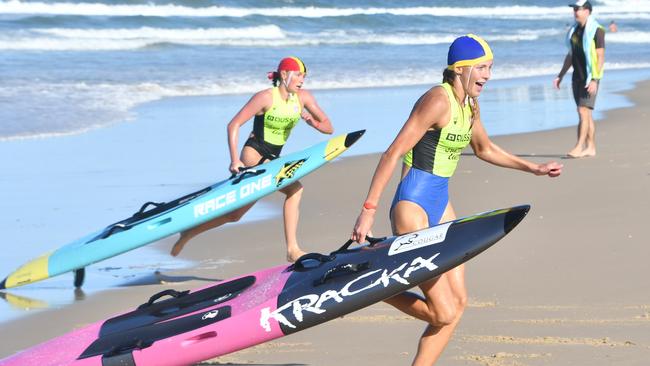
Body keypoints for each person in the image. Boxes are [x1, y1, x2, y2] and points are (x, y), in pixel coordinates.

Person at [350, 34, 563, 365]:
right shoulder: (438, 101)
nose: (488, 75)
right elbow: (393, 153)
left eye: (490, 68)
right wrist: (368, 209)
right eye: (482, 68)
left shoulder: (470, 104)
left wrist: (533, 168)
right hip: (413, 206)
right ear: (461, 69)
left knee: (458, 304)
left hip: (441, 202)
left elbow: (484, 149)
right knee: (442, 312)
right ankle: (379, 287)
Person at [171, 56, 333, 261]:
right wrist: (234, 160)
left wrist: (314, 124)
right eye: (299, 75)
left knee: (235, 215)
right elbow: (234, 125)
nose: (302, 80)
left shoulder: (303, 98)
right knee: (295, 188)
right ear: (284, 75)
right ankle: (292, 249)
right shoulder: (265, 97)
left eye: (304, 76)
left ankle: (189, 233)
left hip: (273, 158)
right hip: (253, 155)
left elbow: (328, 127)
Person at [553, 0, 605, 158]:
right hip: (577, 77)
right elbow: (571, 55)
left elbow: (600, 55)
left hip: (590, 77)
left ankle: (578, 147)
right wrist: (560, 75)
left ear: (588, 11)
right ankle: (591, 147)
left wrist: (595, 79)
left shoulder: (597, 30)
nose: (576, 11)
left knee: (583, 111)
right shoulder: (574, 31)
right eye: (574, 9)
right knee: (585, 114)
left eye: (579, 9)